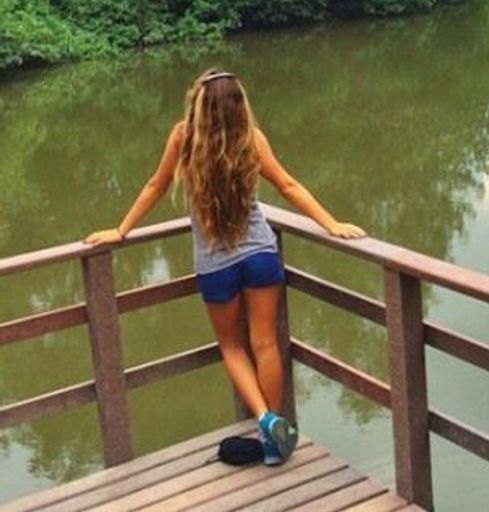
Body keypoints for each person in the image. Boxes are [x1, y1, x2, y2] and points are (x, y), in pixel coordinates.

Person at [85, 68, 365, 465]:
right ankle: (274, 438)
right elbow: (288, 185)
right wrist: (331, 224)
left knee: (233, 346)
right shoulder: (251, 137)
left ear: (199, 102)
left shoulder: (183, 136)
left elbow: (156, 185)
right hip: (260, 254)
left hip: (215, 263)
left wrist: (121, 229)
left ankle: (266, 420)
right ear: (240, 103)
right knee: (265, 343)